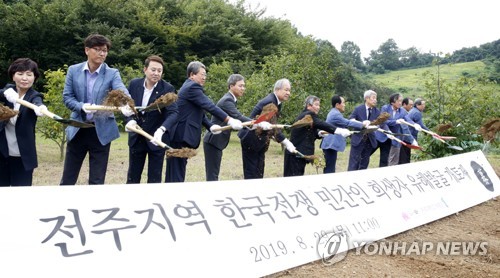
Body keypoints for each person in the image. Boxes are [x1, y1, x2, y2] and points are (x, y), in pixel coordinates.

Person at [60, 34, 131, 185]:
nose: (102, 53)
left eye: (104, 50)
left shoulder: (112, 73)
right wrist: (81, 106)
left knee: (97, 180)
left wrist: (126, 104)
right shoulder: (74, 70)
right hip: (78, 128)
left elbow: (121, 91)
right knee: (68, 178)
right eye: (97, 49)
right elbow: (67, 97)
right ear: (87, 50)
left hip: (101, 131)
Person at [166, 61, 244, 182]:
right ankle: (174, 197)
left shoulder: (188, 86)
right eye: (202, 74)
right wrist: (229, 120)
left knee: (176, 168)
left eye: (205, 75)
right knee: (177, 170)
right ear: (192, 75)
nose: (204, 77)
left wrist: (210, 126)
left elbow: (198, 112)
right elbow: (209, 106)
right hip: (181, 134)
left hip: (178, 134)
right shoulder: (192, 87)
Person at [123, 55, 178, 183]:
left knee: (154, 178)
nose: (156, 73)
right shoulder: (134, 84)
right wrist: (129, 120)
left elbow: (173, 113)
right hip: (136, 138)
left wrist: (162, 130)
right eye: (153, 70)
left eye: (159, 71)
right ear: (145, 70)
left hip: (155, 139)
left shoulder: (167, 89)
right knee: (133, 177)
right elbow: (127, 107)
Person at [0, 58, 47, 186]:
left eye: (29, 74)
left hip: (22, 156)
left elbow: (38, 102)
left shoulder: (34, 96)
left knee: (21, 194)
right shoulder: (8, 92)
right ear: (13, 76)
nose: (24, 78)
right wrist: (5, 92)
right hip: (2, 153)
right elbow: (3, 92)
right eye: (20, 74)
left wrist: (41, 108)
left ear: (34, 77)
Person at [238, 78, 296, 179]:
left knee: (259, 171)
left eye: (289, 90)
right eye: (286, 90)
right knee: (252, 173)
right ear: (277, 89)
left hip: (259, 139)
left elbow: (271, 125)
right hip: (251, 138)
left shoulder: (277, 102)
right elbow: (273, 128)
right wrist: (286, 142)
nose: (288, 93)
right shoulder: (270, 102)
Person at [284, 95, 351, 177]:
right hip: (295, 153)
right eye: (316, 105)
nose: (318, 107)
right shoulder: (308, 115)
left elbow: (309, 130)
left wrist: (319, 133)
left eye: (319, 105)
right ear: (309, 105)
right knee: (292, 180)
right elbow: (320, 123)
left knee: (296, 177)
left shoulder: (306, 116)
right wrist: (338, 130)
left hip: (298, 154)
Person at [203, 74, 252, 181]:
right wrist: (256, 123)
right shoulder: (227, 101)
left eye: (244, 86)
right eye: (240, 86)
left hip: (216, 142)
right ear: (231, 86)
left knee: (214, 173)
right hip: (213, 141)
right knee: (212, 175)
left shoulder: (231, 100)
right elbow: (238, 117)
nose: (243, 89)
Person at [320, 95, 368, 173]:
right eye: (343, 103)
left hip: (330, 144)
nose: (344, 105)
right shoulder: (335, 114)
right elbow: (347, 122)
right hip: (330, 144)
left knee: (330, 167)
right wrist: (362, 124)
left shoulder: (334, 112)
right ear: (337, 105)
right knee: (329, 168)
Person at [380, 93, 417, 166]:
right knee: (384, 159)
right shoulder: (385, 108)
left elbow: (408, 119)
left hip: (396, 137)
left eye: (401, 101)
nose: (400, 103)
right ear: (392, 102)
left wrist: (414, 124)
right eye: (399, 101)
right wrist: (395, 122)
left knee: (394, 160)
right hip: (384, 136)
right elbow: (383, 122)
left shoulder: (402, 111)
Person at [347, 90, 380, 171]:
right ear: (367, 99)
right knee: (354, 162)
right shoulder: (358, 109)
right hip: (358, 139)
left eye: (376, 98)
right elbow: (351, 120)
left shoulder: (377, 111)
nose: (375, 100)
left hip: (369, 140)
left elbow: (381, 123)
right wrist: (362, 123)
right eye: (373, 98)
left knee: (365, 162)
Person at [401, 98, 428, 164]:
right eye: (422, 104)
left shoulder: (413, 110)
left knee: (404, 155)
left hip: (406, 136)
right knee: (405, 157)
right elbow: (421, 125)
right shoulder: (417, 113)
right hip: (408, 136)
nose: (424, 106)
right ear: (417, 105)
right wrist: (429, 132)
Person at [398, 97, 415, 164]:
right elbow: (404, 128)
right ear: (404, 104)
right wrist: (412, 139)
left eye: (412, 105)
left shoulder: (406, 112)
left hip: (406, 138)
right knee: (403, 159)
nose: (411, 106)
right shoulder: (402, 112)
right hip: (403, 139)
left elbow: (410, 121)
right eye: (410, 105)